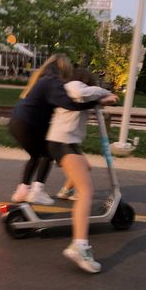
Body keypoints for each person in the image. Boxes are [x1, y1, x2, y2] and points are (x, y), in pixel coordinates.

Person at [46, 67, 119, 273]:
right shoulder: (74, 86)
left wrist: (101, 101)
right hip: (64, 143)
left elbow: (86, 99)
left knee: (86, 166)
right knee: (87, 192)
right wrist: (104, 92)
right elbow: (81, 93)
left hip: (67, 142)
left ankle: (66, 190)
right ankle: (80, 246)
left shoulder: (75, 92)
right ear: (86, 80)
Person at [9, 54, 103, 206]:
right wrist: (95, 103)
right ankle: (37, 191)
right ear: (64, 67)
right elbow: (69, 104)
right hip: (29, 124)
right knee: (48, 153)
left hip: (16, 123)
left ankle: (22, 191)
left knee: (35, 155)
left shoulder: (40, 78)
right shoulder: (53, 81)